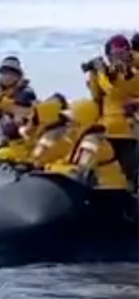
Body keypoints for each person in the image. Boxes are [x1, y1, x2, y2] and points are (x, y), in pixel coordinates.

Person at [84, 34, 139, 187]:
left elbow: (113, 92)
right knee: (107, 168)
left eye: (122, 53)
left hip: (128, 130)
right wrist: (95, 75)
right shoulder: (109, 74)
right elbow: (97, 96)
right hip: (109, 129)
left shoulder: (131, 75)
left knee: (130, 169)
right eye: (115, 54)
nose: (118, 57)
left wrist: (101, 75)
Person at [44, 99, 131, 190]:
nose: (68, 126)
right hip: (95, 191)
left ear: (83, 122)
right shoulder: (77, 140)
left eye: (72, 122)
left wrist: (51, 169)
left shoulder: (93, 140)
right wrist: (51, 167)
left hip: (109, 193)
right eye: (67, 123)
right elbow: (65, 163)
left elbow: (79, 171)